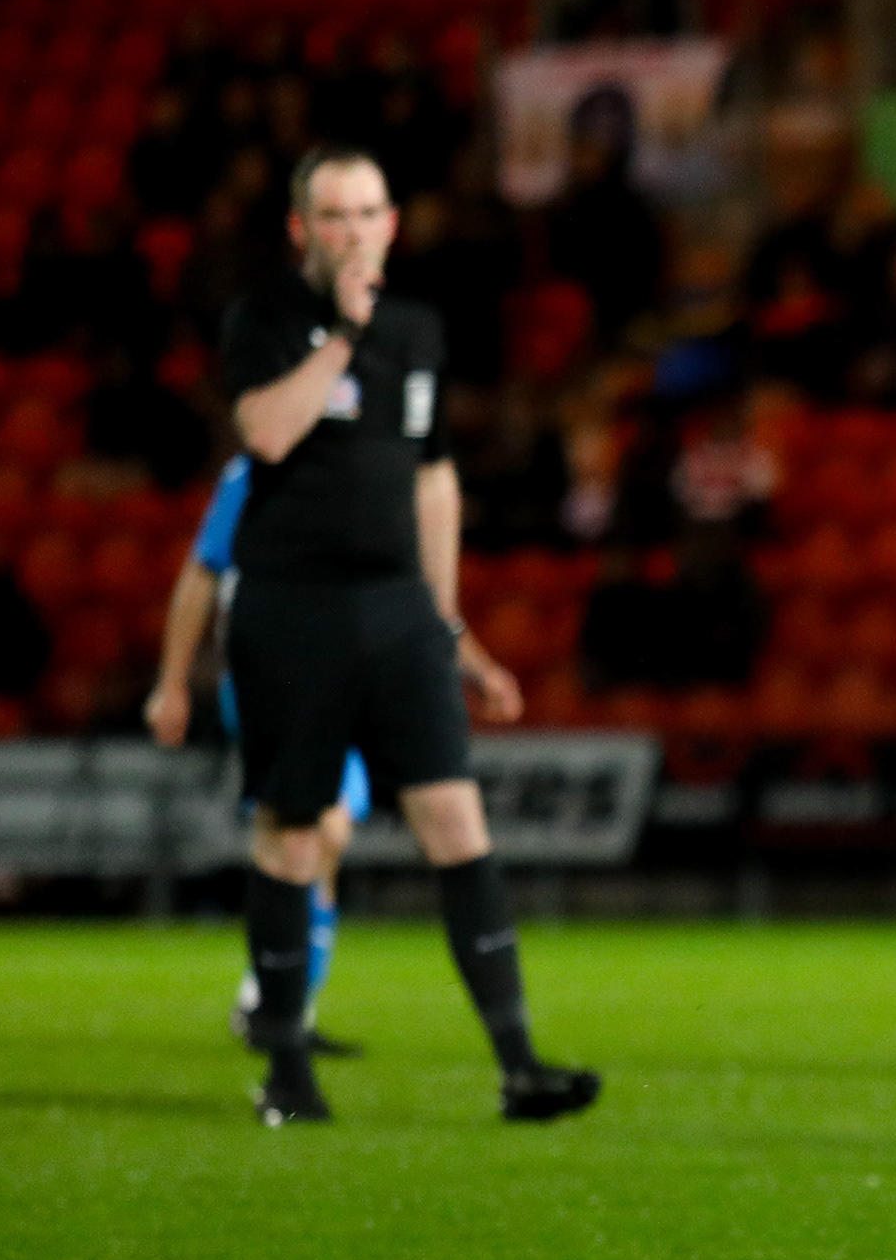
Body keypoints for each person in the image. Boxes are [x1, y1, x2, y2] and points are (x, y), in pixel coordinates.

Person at [218, 147, 599, 1128]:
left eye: (368, 213)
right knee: (293, 834)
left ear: (392, 223)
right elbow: (266, 432)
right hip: (293, 609)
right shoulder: (265, 319)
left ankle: (519, 1066)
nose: (353, 232)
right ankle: (287, 1070)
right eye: (333, 215)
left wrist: (449, 621)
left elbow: (433, 479)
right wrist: (343, 337)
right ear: (301, 230)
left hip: (397, 612)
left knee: (458, 823)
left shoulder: (419, 330)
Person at [148, 452, 372, 1058]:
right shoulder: (252, 474)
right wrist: (172, 682)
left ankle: (285, 1004)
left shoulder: (364, 464)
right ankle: (269, 1002)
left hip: (346, 677)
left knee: (326, 844)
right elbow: (203, 571)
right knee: (312, 827)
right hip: (270, 676)